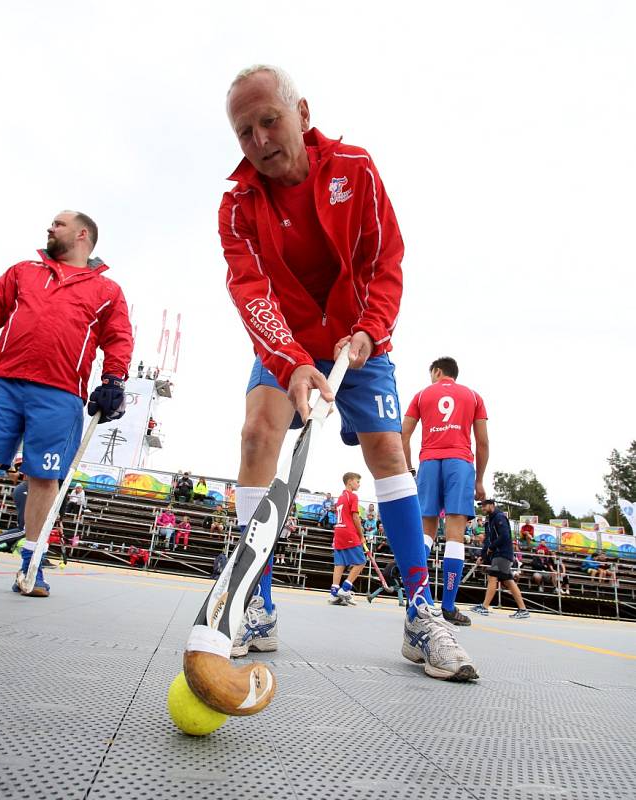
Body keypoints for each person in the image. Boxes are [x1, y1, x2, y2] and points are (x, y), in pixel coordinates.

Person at [220, 64, 475, 680]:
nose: (258, 141)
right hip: (285, 341)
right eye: (243, 131)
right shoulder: (236, 204)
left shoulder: (355, 168)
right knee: (258, 434)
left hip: (359, 337)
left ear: (302, 113)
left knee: (388, 449)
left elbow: (385, 259)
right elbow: (251, 292)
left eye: (269, 121)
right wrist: (293, 362)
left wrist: (369, 331)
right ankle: (257, 603)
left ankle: (420, 613)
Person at [0, 210, 133, 597]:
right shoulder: (23, 271)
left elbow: (118, 338)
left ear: (82, 234)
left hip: (62, 392)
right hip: (3, 385)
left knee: (45, 478)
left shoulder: (107, 291)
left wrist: (113, 379)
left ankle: (32, 565)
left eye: (59, 223)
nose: (50, 227)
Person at [402, 356, 489, 627]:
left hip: (429, 462)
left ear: (437, 372)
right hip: (459, 464)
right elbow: (483, 442)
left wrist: (409, 468)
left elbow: (402, 434)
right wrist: (479, 481)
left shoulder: (421, 395)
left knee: (426, 531)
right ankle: (449, 606)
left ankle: (416, 596)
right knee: (455, 536)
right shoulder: (474, 397)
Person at [471, 499, 529, 618]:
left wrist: (492, 547)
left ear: (492, 505)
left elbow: (505, 536)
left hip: (502, 553)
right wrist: (483, 556)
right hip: (498, 554)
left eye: (484, 506)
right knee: (509, 581)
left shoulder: (499, 517)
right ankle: (523, 610)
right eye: (481, 506)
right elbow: (488, 540)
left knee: (492, 577)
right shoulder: (490, 520)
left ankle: (484, 607)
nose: (482, 508)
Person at [329, 472, 367, 606]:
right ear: (350, 481)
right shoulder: (353, 496)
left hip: (338, 531)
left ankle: (334, 593)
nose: (359, 484)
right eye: (357, 481)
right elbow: (355, 517)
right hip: (348, 532)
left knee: (340, 564)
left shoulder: (340, 498)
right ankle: (345, 589)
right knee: (361, 562)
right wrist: (361, 536)